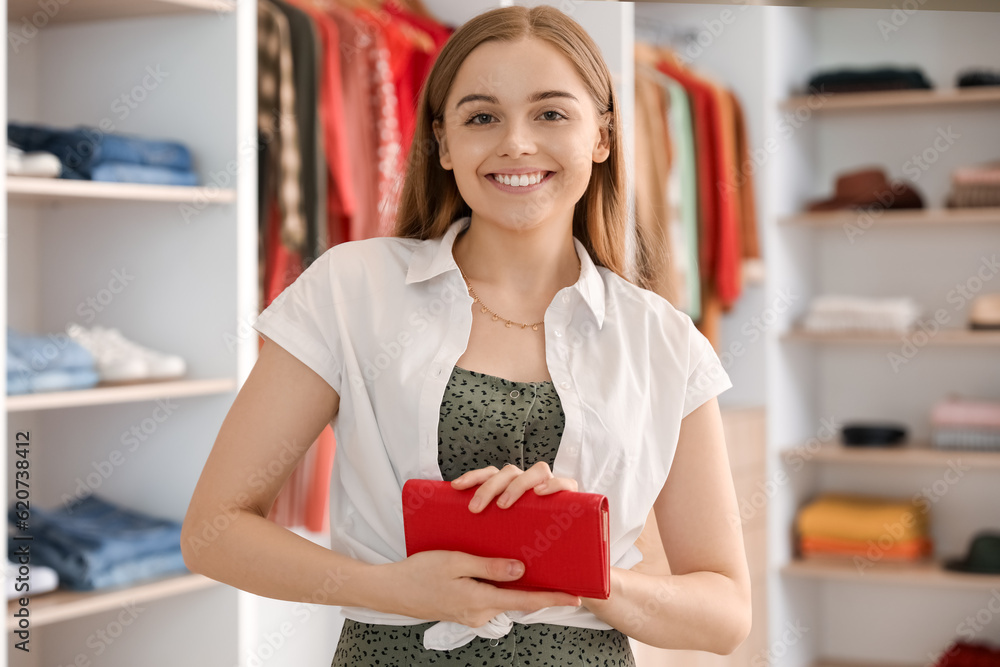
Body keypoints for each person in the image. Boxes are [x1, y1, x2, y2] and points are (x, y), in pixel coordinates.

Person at [181, 5, 751, 665]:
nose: (516, 142)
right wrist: (391, 587)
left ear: (602, 136)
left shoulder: (662, 341)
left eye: (551, 113)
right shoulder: (350, 289)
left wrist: (583, 569)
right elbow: (213, 530)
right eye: (482, 116)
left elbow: (725, 615)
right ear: (443, 142)